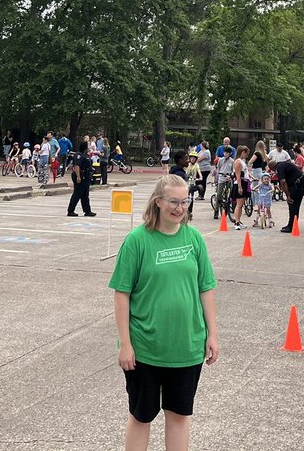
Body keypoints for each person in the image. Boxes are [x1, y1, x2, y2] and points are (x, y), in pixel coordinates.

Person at [110, 175, 218, 451]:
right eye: (173, 201)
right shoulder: (137, 241)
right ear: (158, 202)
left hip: (187, 346)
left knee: (179, 415)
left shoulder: (193, 238)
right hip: (146, 347)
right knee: (141, 415)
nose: (180, 208)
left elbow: (206, 288)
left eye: (184, 201)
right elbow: (122, 294)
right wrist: (125, 344)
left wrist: (212, 335)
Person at [275, 154, 304, 233]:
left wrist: (288, 195)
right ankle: (292, 224)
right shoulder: (284, 164)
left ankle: (291, 226)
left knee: (293, 204)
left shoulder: (279, 167)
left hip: (297, 184)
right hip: (301, 181)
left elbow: (283, 182)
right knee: (295, 205)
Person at [67, 137, 96, 217]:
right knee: (77, 193)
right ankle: (70, 210)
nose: (89, 147)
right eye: (88, 146)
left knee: (85, 195)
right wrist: (78, 177)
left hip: (86, 176)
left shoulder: (85, 155)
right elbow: (77, 166)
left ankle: (87, 211)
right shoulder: (78, 155)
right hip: (80, 175)